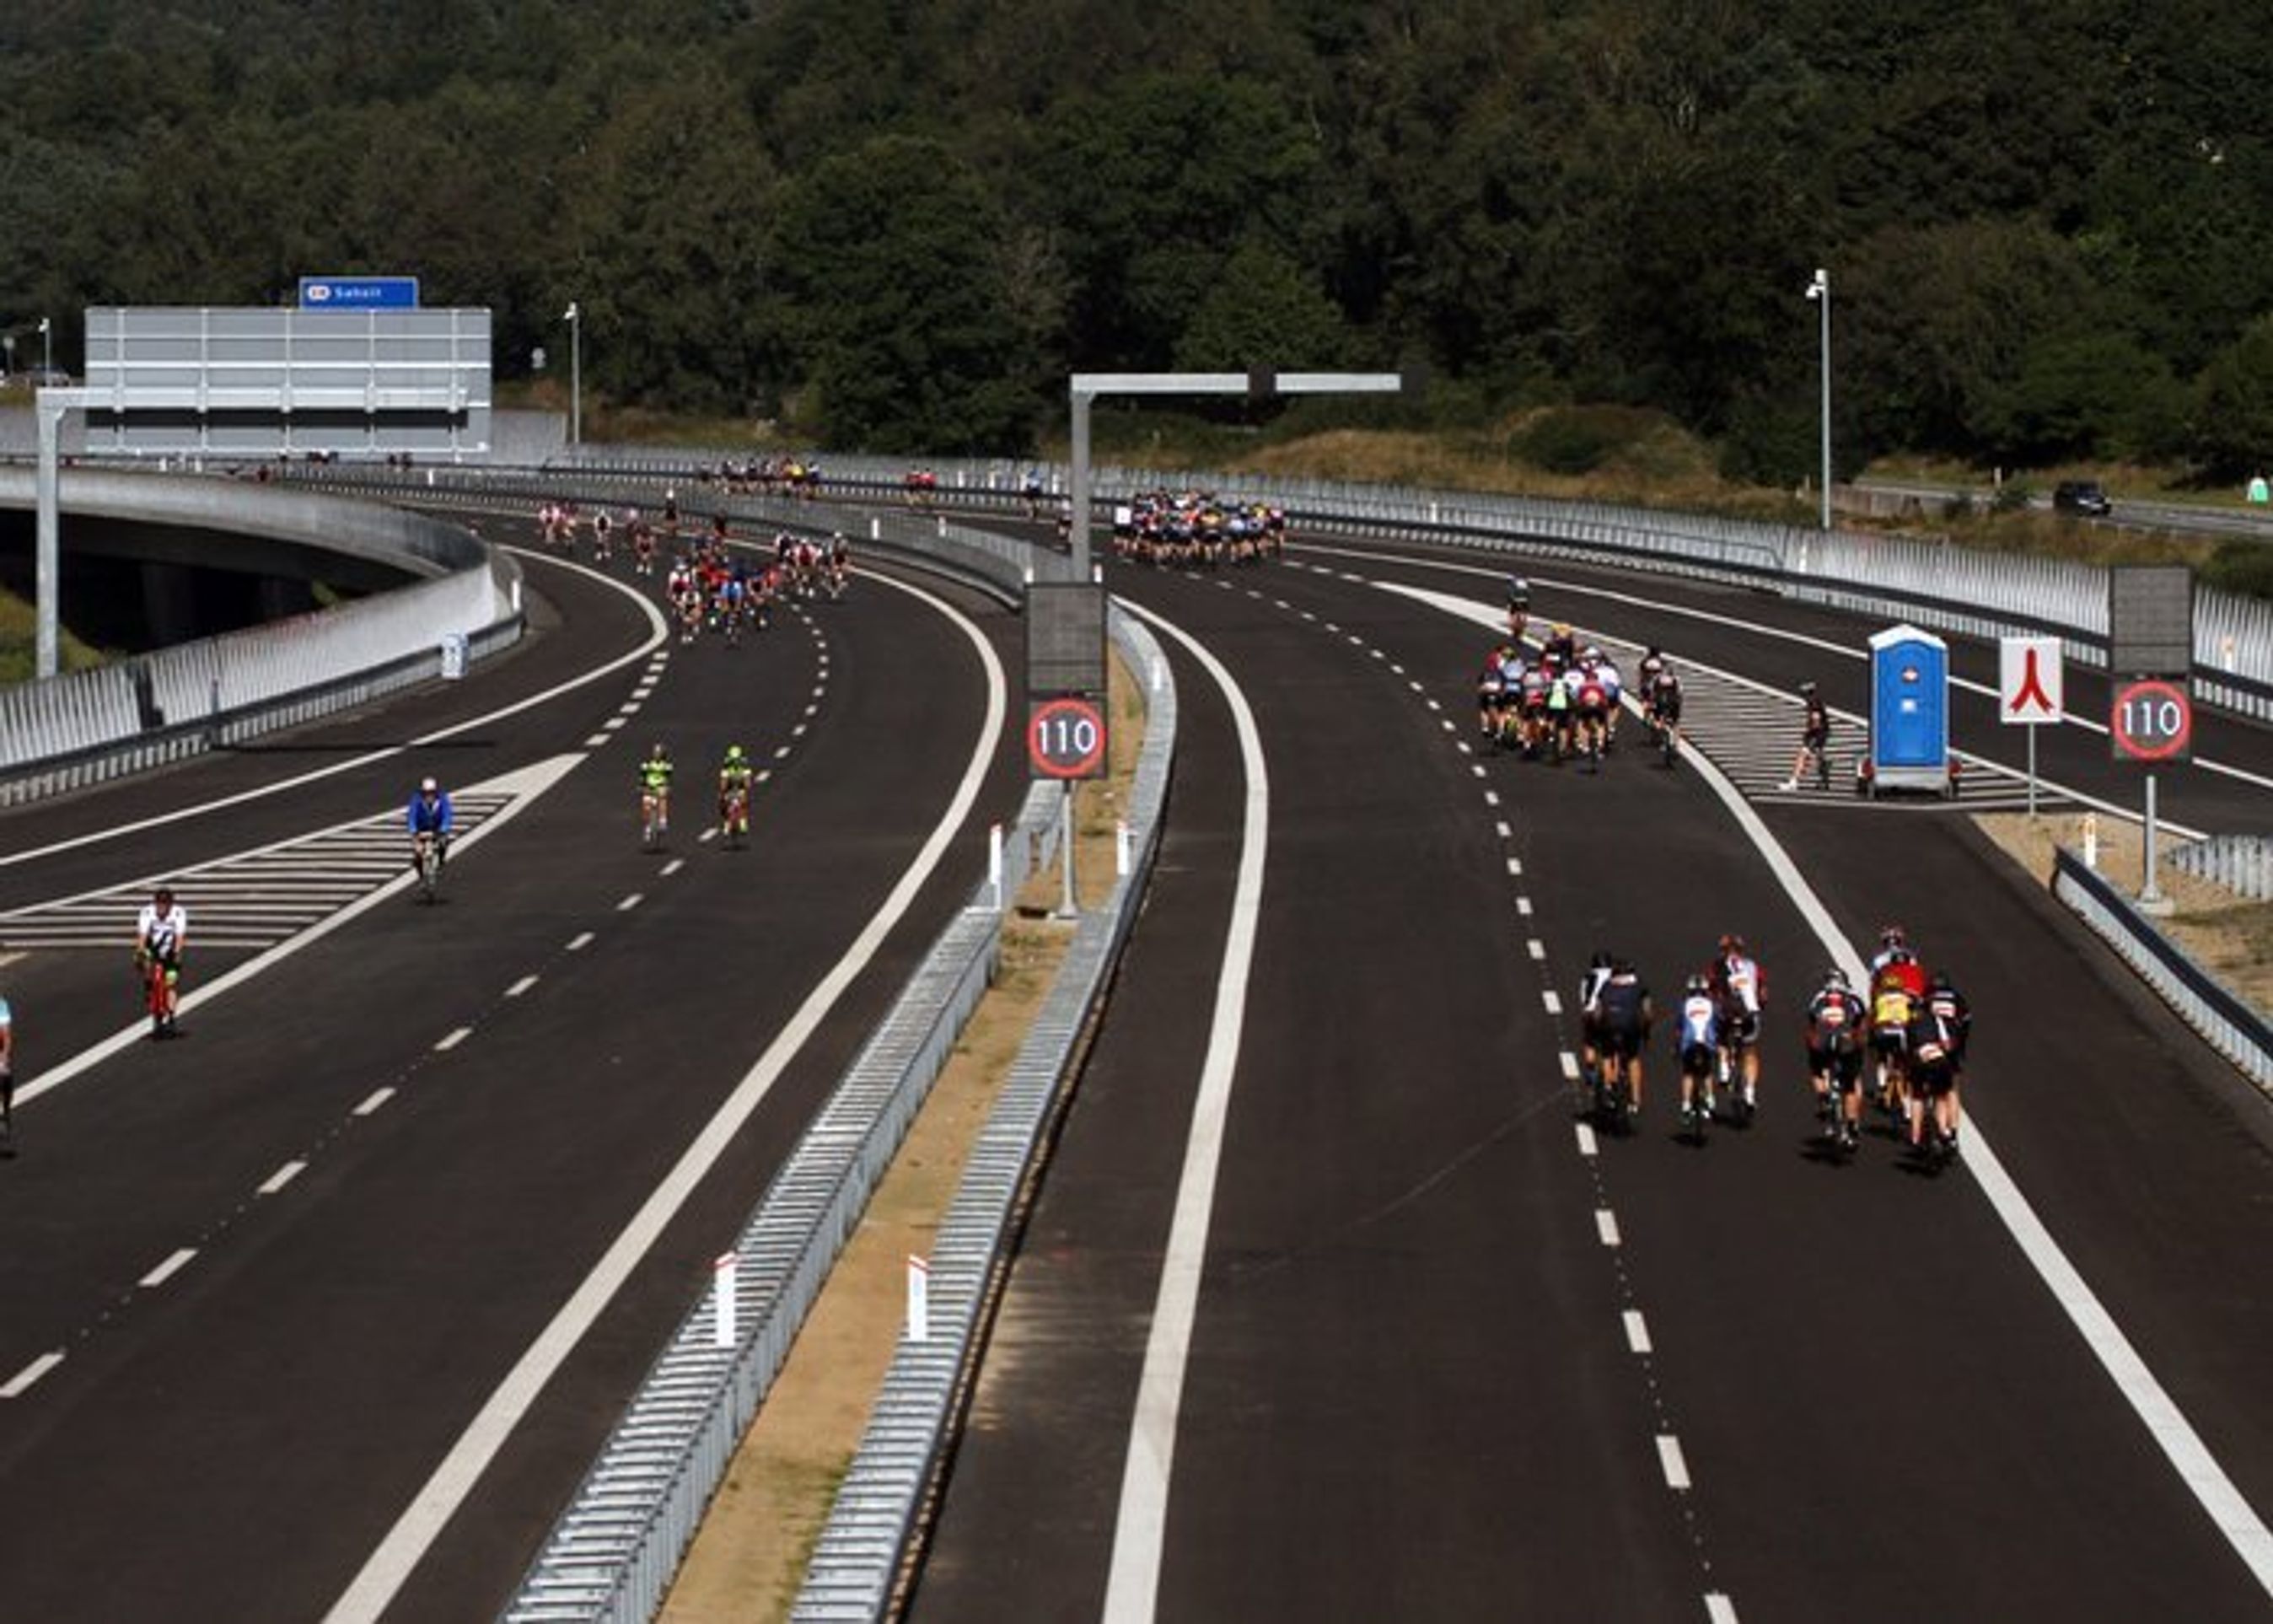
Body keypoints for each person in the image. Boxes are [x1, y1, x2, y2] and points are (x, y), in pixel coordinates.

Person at [1805, 966, 1868, 1148]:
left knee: (1816, 1070)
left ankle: (1823, 1096)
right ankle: (1851, 1123)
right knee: (1850, 1086)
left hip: (1823, 1043)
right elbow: (1861, 1027)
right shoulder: (1854, 998)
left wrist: (1811, 1048)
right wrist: (1860, 1047)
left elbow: (1811, 1025)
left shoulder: (1819, 997)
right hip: (1847, 1044)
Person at [1707, 933, 1765, 1116]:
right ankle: (1750, 1093)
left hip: (1727, 1014)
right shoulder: (1753, 967)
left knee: (1721, 1040)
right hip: (1749, 1015)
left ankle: (1724, 1068)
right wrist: (1759, 1006)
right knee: (1750, 1052)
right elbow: (1763, 995)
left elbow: (1710, 991)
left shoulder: (1716, 967)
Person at [1593, 959, 1653, 1121]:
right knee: (1633, 1058)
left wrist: (1597, 1029)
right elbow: (1647, 1013)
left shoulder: (1607, 985)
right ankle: (1635, 1099)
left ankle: (1608, 1086)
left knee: (1606, 1054)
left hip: (1609, 1027)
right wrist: (1646, 1031)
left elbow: (1598, 1012)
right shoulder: (1639, 984)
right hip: (1630, 1028)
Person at [134, 885, 189, 1038]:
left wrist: (177, 952)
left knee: (171, 982)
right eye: (159, 904)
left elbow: (180, 937)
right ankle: (148, 982)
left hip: (171, 949)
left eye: (165, 905)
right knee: (142, 958)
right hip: (153, 947)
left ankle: (171, 1017)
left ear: (171, 905)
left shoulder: (179, 913)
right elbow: (143, 935)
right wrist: (140, 952)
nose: (162, 908)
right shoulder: (147, 912)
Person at [1674, 972, 1722, 1130]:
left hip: (1689, 1044)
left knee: (1688, 1073)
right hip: (1708, 1043)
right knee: (1707, 1071)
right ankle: (1710, 1098)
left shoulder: (1684, 1004)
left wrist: (1676, 1048)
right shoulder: (1713, 1004)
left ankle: (1686, 1105)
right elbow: (1717, 1024)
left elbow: (1679, 1029)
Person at [1780, 682, 1832, 790]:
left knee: (1803, 755)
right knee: (1819, 756)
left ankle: (1794, 782)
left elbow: (1816, 718)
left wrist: (1809, 732)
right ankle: (1824, 781)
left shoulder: (1813, 702)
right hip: (1823, 732)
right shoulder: (1815, 700)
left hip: (1817, 733)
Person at [406, 775, 454, 868]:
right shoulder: (416, 799)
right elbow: (412, 815)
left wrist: (443, 829)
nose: (429, 795)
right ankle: (418, 861)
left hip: (437, 826)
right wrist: (414, 830)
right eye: (426, 793)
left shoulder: (442, 798)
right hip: (421, 826)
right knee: (418, 849)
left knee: (443, 842)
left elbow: (447, 814)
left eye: (431, 793)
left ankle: (441, 859)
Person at [717, 743, 755, 835]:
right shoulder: (726, 764)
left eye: (737, 760)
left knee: (743, 800)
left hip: (740, 783)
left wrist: (746, 785)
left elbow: (747, 780)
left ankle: (743, 822)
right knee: (722, 800)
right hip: (730, 783)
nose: (735, 762)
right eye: (733, 760)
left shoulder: (744, 764)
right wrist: (723, 791)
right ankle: (726, 821)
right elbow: (723, 780)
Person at [639, 743, 674, 836]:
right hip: (649, 787)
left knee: (662, 798)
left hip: (661, 786)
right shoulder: (647, 765)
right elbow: (642, 778)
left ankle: (663, 821)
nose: (657, 754)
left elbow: (668, 779)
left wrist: (667, 787)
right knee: (646, 805)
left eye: (659, 753)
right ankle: (647, 825)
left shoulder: (667, 766)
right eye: (656, 752)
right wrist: (642, 786)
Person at [0, 984, 14, 1151]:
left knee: (6, 1077)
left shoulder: (1, 1004)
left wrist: (3, 1060)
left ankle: (5, 1113)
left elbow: (6, 1036)